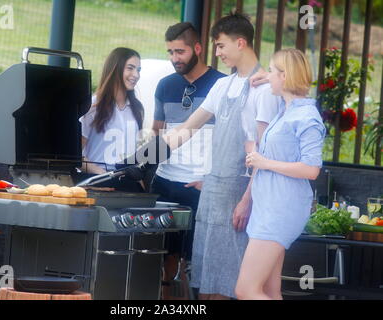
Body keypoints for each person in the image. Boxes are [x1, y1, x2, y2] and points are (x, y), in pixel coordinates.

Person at [147, 12, 281, 300]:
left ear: (241, 43)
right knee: (206, 280)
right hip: (212, 192)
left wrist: (247, 201)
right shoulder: (223, 85)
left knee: (229, 281)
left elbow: (262, 151)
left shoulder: (266, 88)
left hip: (239, 193)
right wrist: (142, 158)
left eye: (220, 46)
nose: (217, 53)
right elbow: (186, 129)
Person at [235, 48, 326, 300]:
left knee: (246, 290)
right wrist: (266, 76)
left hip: (280, 210)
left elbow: (311, 169)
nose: (269, 76)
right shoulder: (285, 110)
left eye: (273, 72)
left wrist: (265, 162)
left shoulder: (306, 117)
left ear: (285, 76)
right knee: (269, 292)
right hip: (268, 207)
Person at [150, 22, 226, 299]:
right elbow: (157, 133)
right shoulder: (165, 84)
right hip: (166, 180)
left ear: (197, 48)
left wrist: (212, 178)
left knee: (197, 259)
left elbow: (232, 139)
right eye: (170, 52)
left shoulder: (221, 84)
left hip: (200, 183)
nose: (174, 58)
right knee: (164, 258)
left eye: (179, 51)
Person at [75, 47, 144, 192]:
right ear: (115, 69)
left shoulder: (137, 109)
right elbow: (75, 156)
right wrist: (104, 174)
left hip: (128, 184)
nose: (136, 75)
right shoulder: (92, 106)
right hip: (96, 183)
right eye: (130, 68)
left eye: (138, 70)